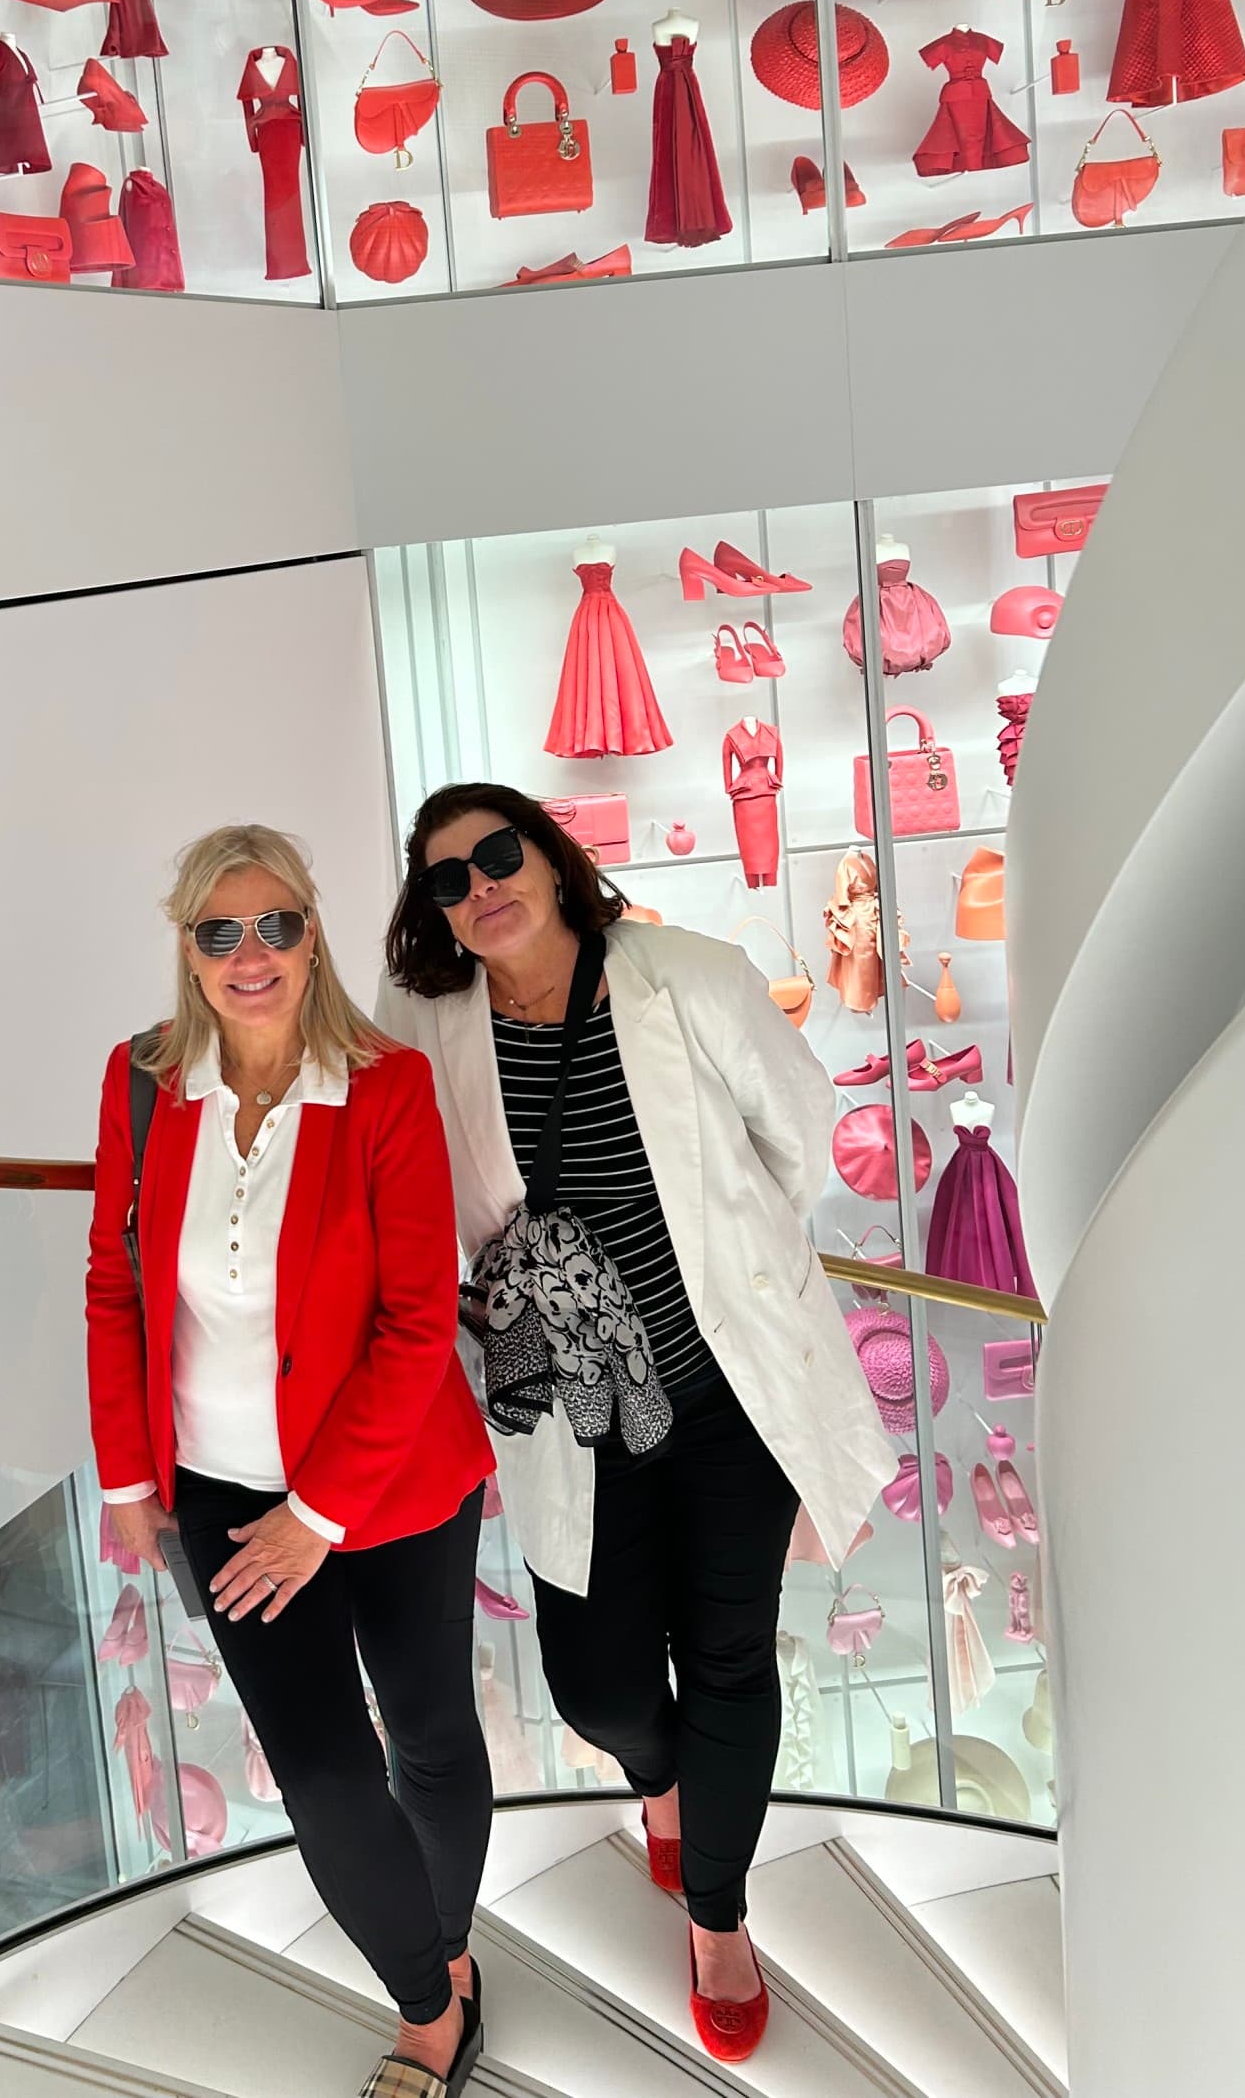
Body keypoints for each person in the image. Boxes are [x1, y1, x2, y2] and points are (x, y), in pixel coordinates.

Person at [379, 785, 895, 2066]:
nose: (482, 886)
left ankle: (716, 1916)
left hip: (727, 1398)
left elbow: (800, 1145)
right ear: (434, 912)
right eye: (449, 878)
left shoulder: (684, 978)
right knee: (598, 1681)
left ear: (551, 862)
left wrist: (726, 1274)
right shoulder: (425, 1030)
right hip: (579, 1410)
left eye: (499, 855)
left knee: (727, 1657)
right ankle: (661, 1787)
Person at [88, 826, 495, 2098]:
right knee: (321, 1774)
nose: (249, 953)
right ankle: (428, 1997)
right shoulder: (144, 1080)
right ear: (187, 949)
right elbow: (114, 1283)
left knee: (426, 1732)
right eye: (219, 930)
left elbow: (419, 1319)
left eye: (275, 925)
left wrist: (317, 1514)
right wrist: (127, 1483)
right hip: (215, 1490)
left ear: (312, 934)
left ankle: (453, 1946)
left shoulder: (378, 1088)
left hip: (392, 1488)